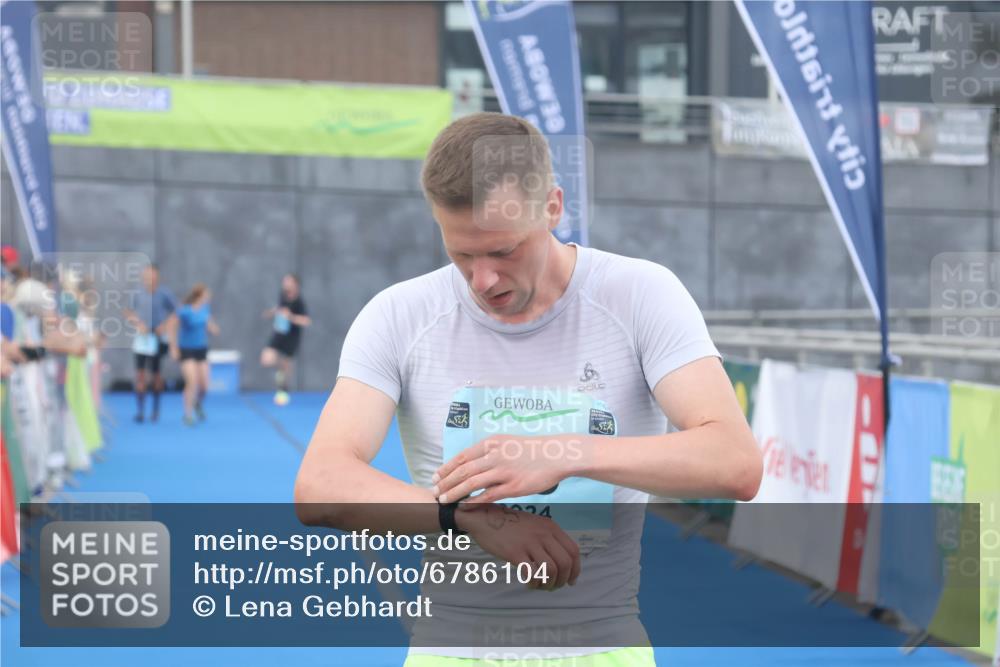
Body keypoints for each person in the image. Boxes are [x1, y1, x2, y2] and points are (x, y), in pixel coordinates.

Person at [294, 113, 762, 666]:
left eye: (503, 251)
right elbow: (320, 485)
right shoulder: (400, 315)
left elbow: (735, 462)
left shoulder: (640, 295)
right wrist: (467, 517)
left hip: (600, 643)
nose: (483, 279)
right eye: (462, 254)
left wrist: (561, 453)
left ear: (553, 207)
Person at [124, 265, 176, 423]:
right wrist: (138, 323)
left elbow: (175, 312)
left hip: (158, 337)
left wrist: (165, 325)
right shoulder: (137, 293)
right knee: (140, 374)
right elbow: (127, 311)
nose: (150, 278)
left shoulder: (164, 293)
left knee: (156, 375)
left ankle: (155, 409)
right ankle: (140, 410)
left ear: (157, 277)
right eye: (147, 275)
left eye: (153, 275)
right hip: (142, 337)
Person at [168, 283, 219, 426]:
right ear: (200, 295)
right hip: (186, 350)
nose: (209, 297)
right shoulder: (185, 310)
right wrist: (173, 347)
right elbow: (171, 325)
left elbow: (210, 325)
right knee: (192, 382)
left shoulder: (205, 309)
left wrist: (213, 328)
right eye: (207, 294)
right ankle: (188, 414)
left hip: (201, 350)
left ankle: (197, 403)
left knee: (204, 386)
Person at [260, 273, 310, 406]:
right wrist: (272, 313)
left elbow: (306, 321)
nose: (285, 283)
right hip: (279, 335)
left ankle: (283, 389)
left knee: (286, 366)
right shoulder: (282, 296)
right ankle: (280, 374)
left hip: (292, 337)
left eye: (288, 281)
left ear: (295, 284)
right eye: (284, 281)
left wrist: (290, 317)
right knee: (267, 359)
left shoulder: (299, 302)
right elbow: (278, 310)